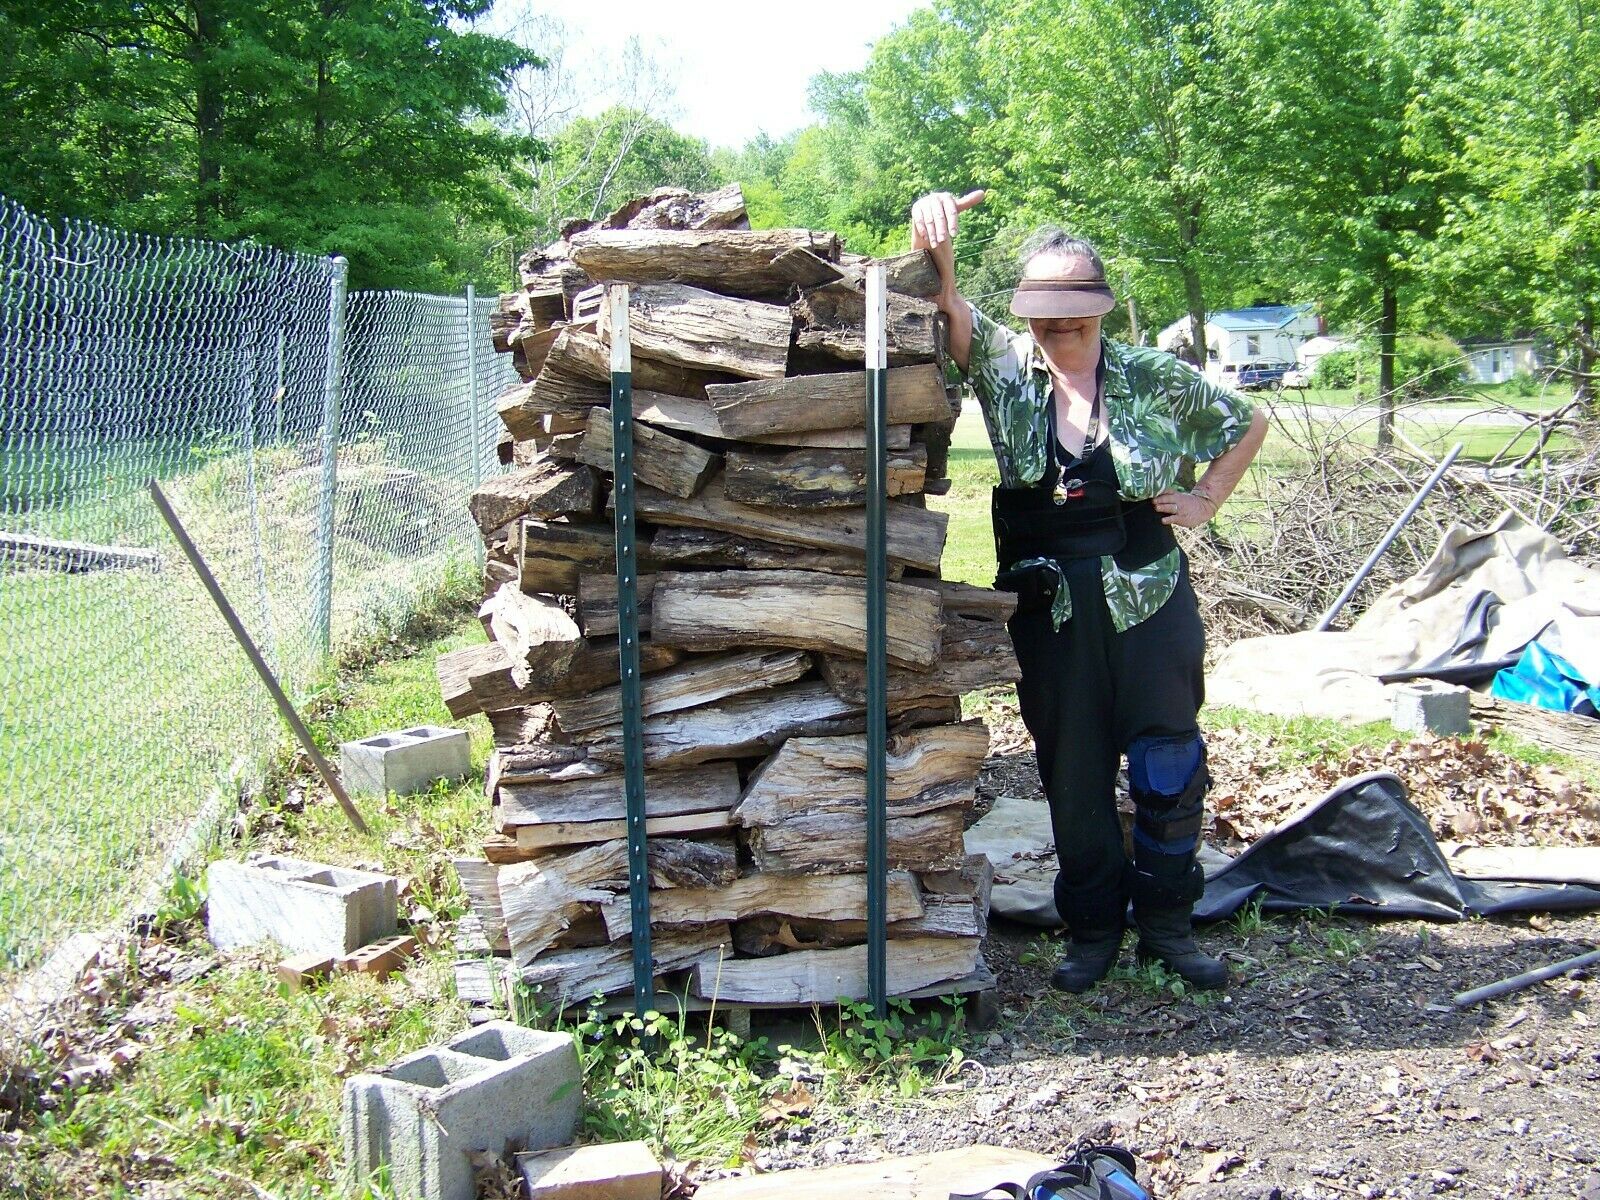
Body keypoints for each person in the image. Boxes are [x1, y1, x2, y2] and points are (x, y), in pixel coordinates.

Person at [911, 189, 1268, 992]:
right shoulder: (1004, 366)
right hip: (1050, 610)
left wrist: (1206, 498)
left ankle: (1170, 925)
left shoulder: (1151, 379)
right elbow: (947, 302)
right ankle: (1094, 930)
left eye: (1074, 306)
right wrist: (936, 232)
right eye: (1042, 307)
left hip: (1149, 599)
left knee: (1167, 765)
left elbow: (1247, 421)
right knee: (1072, 776)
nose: (1057, 323)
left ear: (1101, 305)